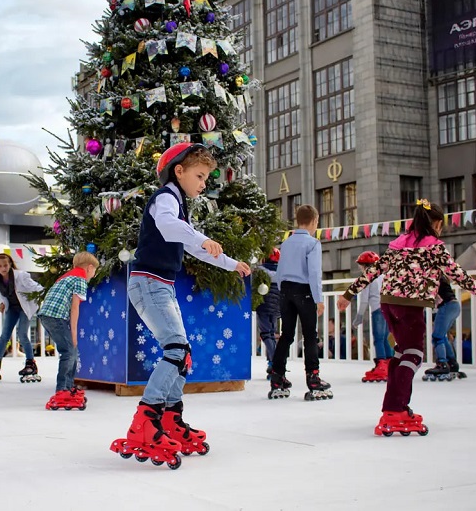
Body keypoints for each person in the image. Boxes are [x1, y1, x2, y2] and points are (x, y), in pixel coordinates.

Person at [108, 143, 251, 469]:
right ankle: (146, 419)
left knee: (181, 353)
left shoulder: (178, 203)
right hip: (148, 283)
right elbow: (172, 227)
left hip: (160, 286)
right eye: (200, 176)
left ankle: (170, 419)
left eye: (206, 178)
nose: (203, 183)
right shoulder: (166, 199)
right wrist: (201, 238)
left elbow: (192, 246)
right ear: (179, 171)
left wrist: (230, 263)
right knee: (175, 350)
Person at [338, 199, 476, 436]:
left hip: (388, 304)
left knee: (402, 353)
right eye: (440, 225)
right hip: (409, 306)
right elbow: (460, 276)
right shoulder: (434, 247)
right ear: (435, 224)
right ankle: (394, 409)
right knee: (413, 355)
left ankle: (394, 406)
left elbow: (374, 270)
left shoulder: (397, 243)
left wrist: (348, 294)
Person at [269, 204, 331, 401]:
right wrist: (318, 299)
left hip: (285, 290)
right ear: (314, 221)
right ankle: (313, 377)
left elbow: (280, 272)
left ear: (297, 221)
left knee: (286, 335)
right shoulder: (312, 243)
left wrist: (282, 291)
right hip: (303, 291)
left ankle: (277, 377)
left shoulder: (286, 243)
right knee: (310, 335)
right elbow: (314, 273)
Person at [37, 251, 99, 410]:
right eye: (94, 271)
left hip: (48, 315)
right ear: (90, 268)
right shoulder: (80, 280)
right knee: (69, 351)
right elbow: (74, 308)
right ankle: (62, 390)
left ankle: (69, 386)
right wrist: (74, 333)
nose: (94, 274)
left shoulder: (67, 277)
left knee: (71, 351)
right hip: (56, 317)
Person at [0, 253, 44, 383]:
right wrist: (2, 304)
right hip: (12, 308)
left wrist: (45, 292)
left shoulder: (21, 276)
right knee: (4, 335)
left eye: (5, 265)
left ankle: (30, 363)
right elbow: (0, 295)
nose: (3, 268)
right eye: (0, 266)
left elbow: (35, 287)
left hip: (24, 307)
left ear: (10, 264)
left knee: (22, 334)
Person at [352, 251, 392, 383]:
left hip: (378, 310)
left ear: (364, 266)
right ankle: (390, 365)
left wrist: (359, 316)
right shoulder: (383, 276)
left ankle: (381, 366)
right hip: (388, 309)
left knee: (378, 339)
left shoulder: (367, 278)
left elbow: (364, 300)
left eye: (360, 265)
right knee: (385, 338)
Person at [423, 276, 465, 381]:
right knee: (443, 336)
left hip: (446, 306)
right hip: (454, 305)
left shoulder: (432, 277)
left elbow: (428, 295)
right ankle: (452, 362)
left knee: (437, 336)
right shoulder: (442, 277)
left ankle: (442, 363)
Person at [256, 248, 280, 379]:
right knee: (271, 333)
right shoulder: (282, 271)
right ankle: (272, 363)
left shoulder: (260, 271)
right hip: (277, 308)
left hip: (264, 305)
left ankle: (275, 363)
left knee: (266, 334)